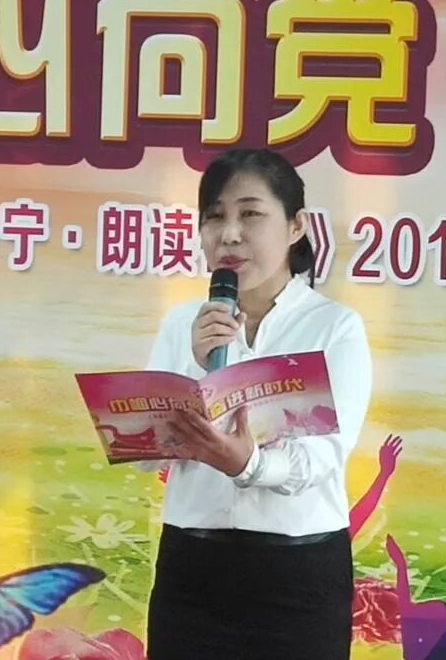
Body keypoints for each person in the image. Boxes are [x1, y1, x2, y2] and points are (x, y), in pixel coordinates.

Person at [143, 149, 374, 660]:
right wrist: (198, 367)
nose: (229, 234)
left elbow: (326, 454)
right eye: (214, 217)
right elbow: (150, 451)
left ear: (296, 226)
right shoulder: (183, 325)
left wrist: (248, 464)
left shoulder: (334, 327)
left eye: (250, 214)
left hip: (297, 579)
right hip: (192, 571)